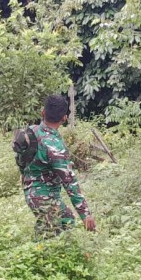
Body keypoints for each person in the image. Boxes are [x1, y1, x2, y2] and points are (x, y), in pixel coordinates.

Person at [21, 95, 96, 237]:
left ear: (42, 112)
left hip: (30, 190)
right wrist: (86, 214)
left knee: (62, 221)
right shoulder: (55, 147)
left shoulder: (30, 131)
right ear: (64, 118)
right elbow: (70, 183)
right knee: (60, 227)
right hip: (44, 196)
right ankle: (41, 255)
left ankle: (38, 252)